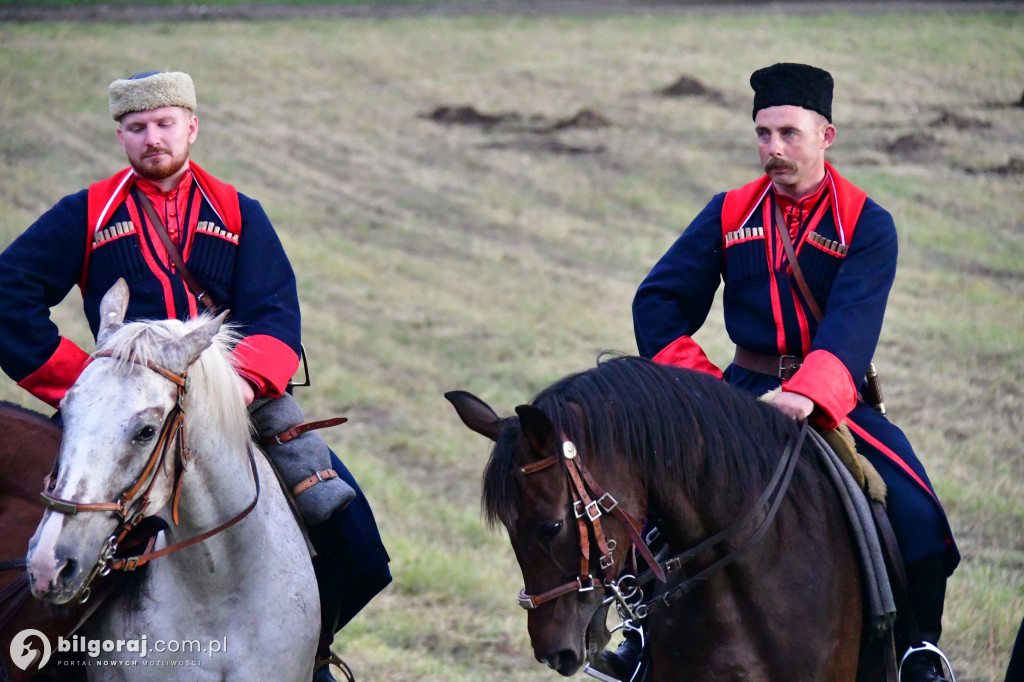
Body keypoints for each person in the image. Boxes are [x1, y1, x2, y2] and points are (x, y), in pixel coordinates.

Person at [0, 71, 391, 681]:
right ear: (121, 134)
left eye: (164, 125)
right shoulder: (86, 213)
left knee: (351, 531)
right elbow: (8, 294)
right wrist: (88, 382)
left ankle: (309, 653)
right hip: (122, 409)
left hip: (237, 398)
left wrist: (238, 386)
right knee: (51, 548)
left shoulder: (239, 213)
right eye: (136, 128)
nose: (152, 138)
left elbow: (275, 313)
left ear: (191, 127)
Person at [625, 63, 960, 682]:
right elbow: (658, 302)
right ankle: (635, 640)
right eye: (762, 134)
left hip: (835, 399)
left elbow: (851, 329)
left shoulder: (867, 222)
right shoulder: (728, 212)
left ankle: (919, 649)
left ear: (825, 135)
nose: (772, 150)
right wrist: (703, 390)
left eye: (788, 134)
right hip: (738, 395)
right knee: (649, 513)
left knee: (917, 520)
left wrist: (806, 395)